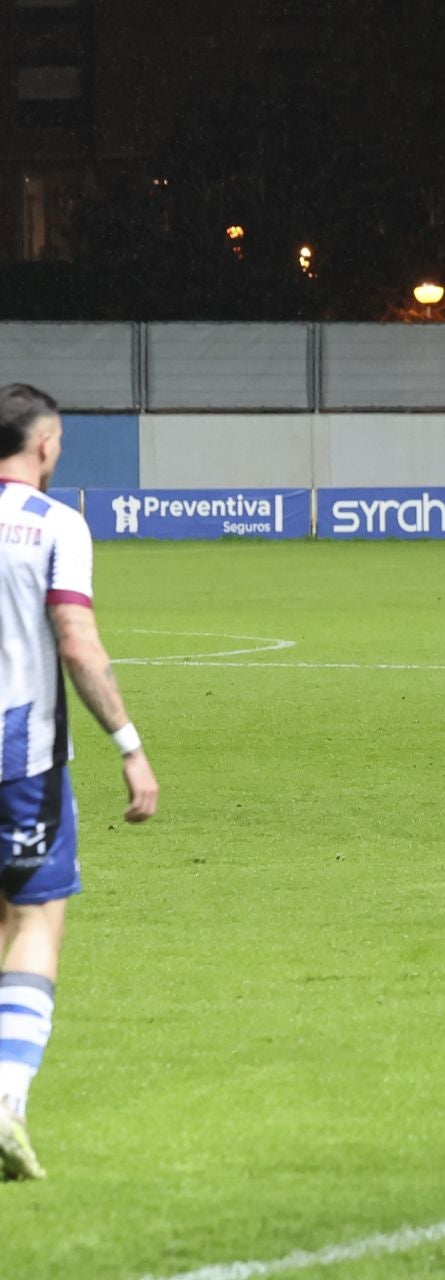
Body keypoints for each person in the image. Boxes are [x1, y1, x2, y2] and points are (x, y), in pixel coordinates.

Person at [0, 384, 159, 1181]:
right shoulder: (55, 524)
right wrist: (128, 744)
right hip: (19, 761)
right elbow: (75, 639)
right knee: (35, 919)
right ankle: (6, 1100)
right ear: (47, 444)